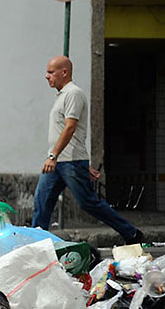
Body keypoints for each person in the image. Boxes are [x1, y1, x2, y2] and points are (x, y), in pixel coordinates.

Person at [32, 56, 143, 245]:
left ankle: (131, 233)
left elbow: (70, 128)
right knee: (41, 202)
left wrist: (56, 156)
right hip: (59, 162)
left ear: (64, 72)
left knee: (88, 203)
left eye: (51, 72)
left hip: (68, 161)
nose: (46, 76)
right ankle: (34, 244)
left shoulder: (73, 93)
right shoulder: (62, 96)